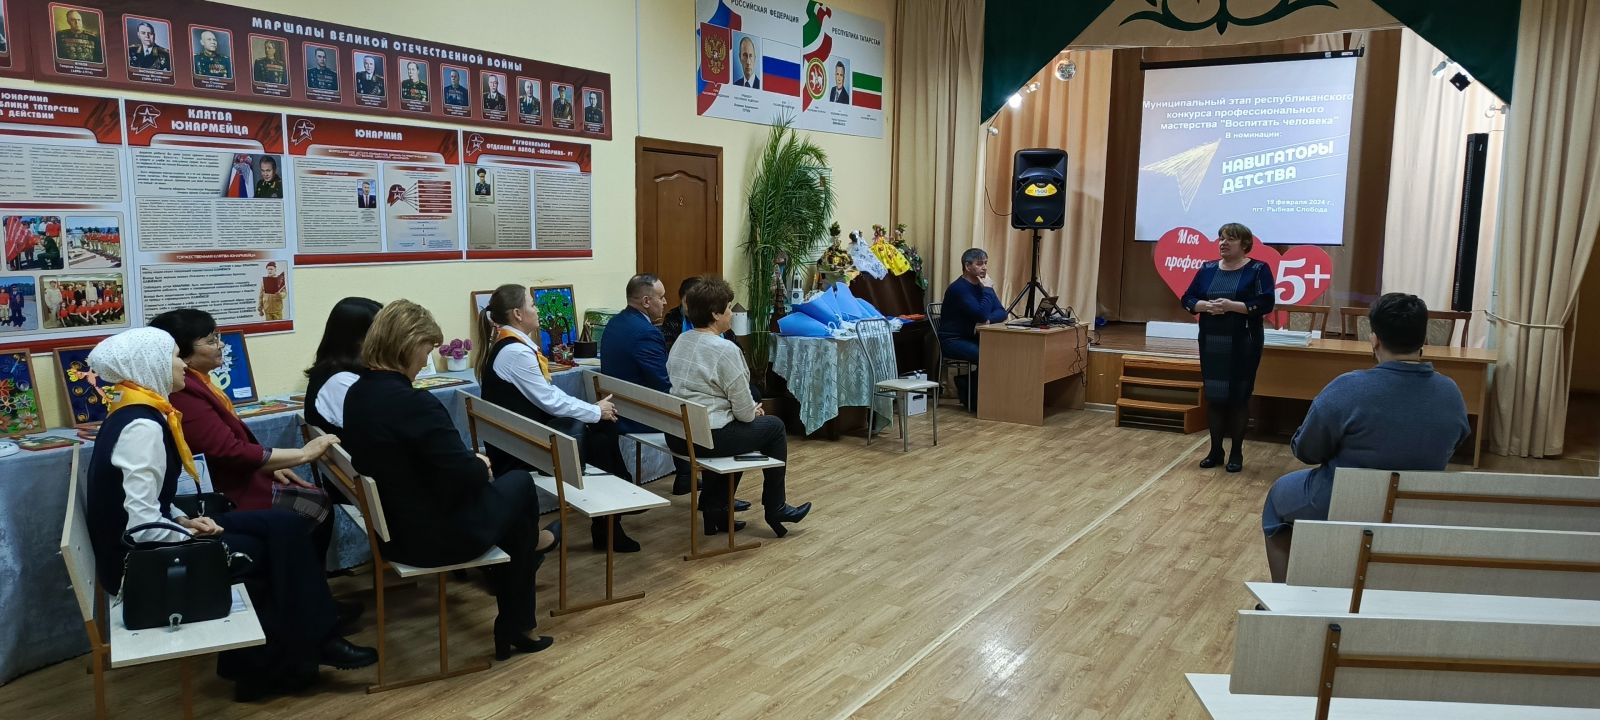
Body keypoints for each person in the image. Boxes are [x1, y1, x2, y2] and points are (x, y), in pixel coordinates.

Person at [84, 328, 375, 702]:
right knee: (267, 551)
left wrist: (182, 519)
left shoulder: (138, 409)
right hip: (143, 563)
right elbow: (141, 526)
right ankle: (284, 660)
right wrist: (188, 533)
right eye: (174, 357)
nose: (182, 366)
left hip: (157, 537)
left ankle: (314, 641)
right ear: (149, 365)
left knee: (285, 524)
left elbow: (152, 501)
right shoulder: (142, 426)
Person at [341, 300, 561, 660]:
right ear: (408, 345)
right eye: (427, 348)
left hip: (391, 534)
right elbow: (466, 476)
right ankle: (518, 620)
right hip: (435, 539)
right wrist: (478, 464)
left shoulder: (357, 394)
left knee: (514, 512)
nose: (426, 359)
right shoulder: (414, 404)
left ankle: (521, 595)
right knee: (520, 484)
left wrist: (467, 466)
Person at [1262, 293, 1470, 582]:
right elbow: (1455, 442)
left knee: (1277, 499)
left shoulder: (1347, 388)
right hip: (1416, 504)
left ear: (1374, 339)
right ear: (1424, 339)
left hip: (1342, 500)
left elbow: (1307, 451)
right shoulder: (1451, 393)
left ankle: (1286, 596)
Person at [477, 283, 641, 552]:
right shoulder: (516, 352)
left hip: (514, 438)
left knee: (600, 430)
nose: (537, 310)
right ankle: (616, 510)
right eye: (532, 304)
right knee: (602, 432)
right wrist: (595, 410)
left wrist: (593, 411)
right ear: (517, 314)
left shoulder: (507, 344)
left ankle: (615, 512)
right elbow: (550, 401)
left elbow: (548, 397)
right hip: (522, 450)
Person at [668, 276, 811, 537]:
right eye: (728, 308)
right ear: (715, 314)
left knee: (738, 432)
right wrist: (752, 411)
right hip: (705, 438)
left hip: (678, 435)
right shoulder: (725, 349)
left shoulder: (682, 340)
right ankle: (775, 506)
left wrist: (745, 412)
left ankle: (716, 510)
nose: (731, 313)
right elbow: (744, 413)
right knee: (774, 427)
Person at [1181, 222, 1275, 472]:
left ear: (1244, 244)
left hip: (1244, 341)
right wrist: (1205, 306)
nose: (1223, 243)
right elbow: (1187, 298)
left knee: (1238, 397)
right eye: (1221, 238)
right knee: (1214, 396)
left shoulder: (1258, 269)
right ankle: (1215, 451)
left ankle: (1236, 452)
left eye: (1230, 239)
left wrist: (1232, 306)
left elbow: (1265, 303)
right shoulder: (1207, 268)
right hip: (1212, 341)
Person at [938, 248, 1007, 410]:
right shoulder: (958, 289)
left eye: (986, 263)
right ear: (968, 266)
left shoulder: (982, 285)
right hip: (953, 340)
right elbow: (980, 314)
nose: (984, 268)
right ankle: (973, 395)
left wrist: (988, 320)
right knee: (988, 356)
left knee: (1003, 353)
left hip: (972, 337)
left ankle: (971, 386)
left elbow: (1002, 312)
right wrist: (988, 290)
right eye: (979, 264)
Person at [305, 297, 384, 435]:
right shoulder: (342, 382)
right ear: (358, 337)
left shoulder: (335, 368)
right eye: (382, 331)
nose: (387, 337)